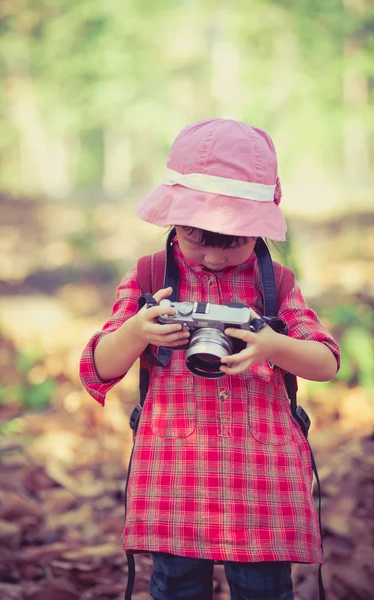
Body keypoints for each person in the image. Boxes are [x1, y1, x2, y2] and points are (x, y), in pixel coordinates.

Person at [79, 119, 340, 600]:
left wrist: (272, 345)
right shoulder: (150, 276)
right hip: (176, 475)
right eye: (198, 239)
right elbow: (98, 368)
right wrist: (139, 330)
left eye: (235, 241)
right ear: (173, 220)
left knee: (264, 591)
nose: (216, 259)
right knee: (176, 588)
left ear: (260, 229)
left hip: (263, 480)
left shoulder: (275, 284)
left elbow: (325, 362)